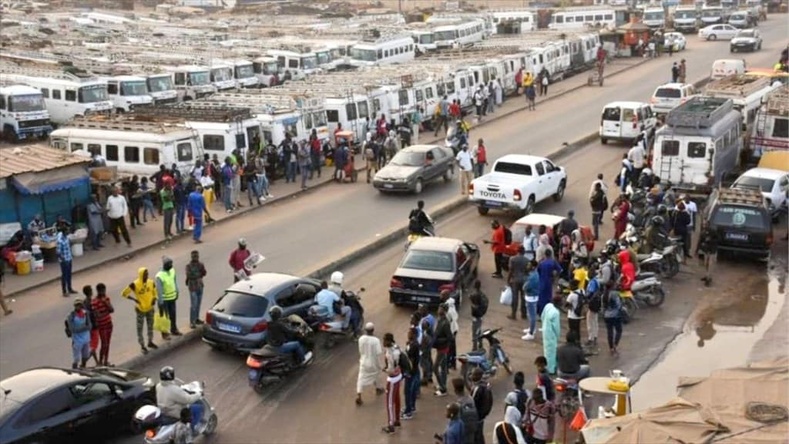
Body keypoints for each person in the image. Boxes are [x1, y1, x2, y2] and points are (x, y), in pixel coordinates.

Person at [156, 366, 204, 434]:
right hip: (175, 413)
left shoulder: (158, 386)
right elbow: (188, 399)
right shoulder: (173, 389)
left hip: (164, 411)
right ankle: (191, 430)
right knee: (198, 408)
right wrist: (199, 394)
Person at [121, 267, 158, 354]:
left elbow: (155, 291)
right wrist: (134, 299)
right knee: (140, 328)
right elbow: (124, 293)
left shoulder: (151, 282)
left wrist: (154, 298)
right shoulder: (134, 284)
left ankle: (150, 342)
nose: (147, 275)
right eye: (145, 274)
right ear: (141, 275)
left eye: (147, 274)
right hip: (140, 309)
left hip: (150, 308)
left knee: (150, 326)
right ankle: (142, 345)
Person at [356, 322, 384, 405]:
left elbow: (360, 351)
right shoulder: (376, 340)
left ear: (365, 330)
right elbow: (378, 353)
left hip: (364, 361)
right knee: (377, 374)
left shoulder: (361, 339)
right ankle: (378, 388)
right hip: (373, 362)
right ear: (373, 330)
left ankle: (359, 395)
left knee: (360, 378)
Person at [381, 333, 403, 434]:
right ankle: (397, 420)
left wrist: (384, 370)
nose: (383, 342)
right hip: (399, 376)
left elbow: (390, 370)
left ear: (388, 341)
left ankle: (391, 425)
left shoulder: (390, 353)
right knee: (397, 399)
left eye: (385, 340)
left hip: (392, 379)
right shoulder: (397, 347)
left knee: (389, 403)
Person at [156, 256, 182, 337]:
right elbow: (159, 290)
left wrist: (177, 291)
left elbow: (174, 281)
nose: (171, 265)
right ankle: (164, 333)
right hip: (164, 300)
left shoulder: (172, 271)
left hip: (172, 298)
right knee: (164, 317)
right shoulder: (159, 276)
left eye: (171, 263)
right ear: (165, 265)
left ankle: (174, 329)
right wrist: (160, 301)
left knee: (173, 315)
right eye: (169, 264)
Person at [91, 283, 114, 366]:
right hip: (102, 326)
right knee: (104, 344)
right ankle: (100, 361)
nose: (103, 292)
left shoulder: (106, 298)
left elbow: (111, 310)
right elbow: (97, 315)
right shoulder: (94, 302)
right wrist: (106, 311)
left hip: (108, 324)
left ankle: (105, 361)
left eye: (104, 290)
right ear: (98, 291)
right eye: (102, 291)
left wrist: (105, 303)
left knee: (108, 343)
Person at [433, 304, 453, 397]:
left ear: (444, 310)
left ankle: (442, 388)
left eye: (440, 309)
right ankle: (443, 384)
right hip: (440, 347)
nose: (438, 310)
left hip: (443, 348)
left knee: (435, 367)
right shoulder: (439, 319)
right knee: (443, 367)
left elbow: (450, 337)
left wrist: (438, 340)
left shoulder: (445, 323)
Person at [67, 298, 92, 369]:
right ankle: (74, 370)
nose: (78, 307)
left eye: (79, 305)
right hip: (77, 340)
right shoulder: (71, 316)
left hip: (86, 338)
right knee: (76, 359)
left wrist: (81, 328)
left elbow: (90, 326)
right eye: (77, 305)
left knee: (86, 356)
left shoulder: (85, 313)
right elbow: (72, 329)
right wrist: (84, 328)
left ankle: (83, 367)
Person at [402, 327, 421, 420]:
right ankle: (411, 407)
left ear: (414, 335)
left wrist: (408, 371)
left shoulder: (414, 346)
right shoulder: (411, 344)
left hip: (411, 371)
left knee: (408, 391)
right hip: (413, 370)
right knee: (412, 390)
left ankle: (408, 411)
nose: (408, 334)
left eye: (409, 333)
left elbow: (411, 360)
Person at [540, 295, 562, 375]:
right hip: (551, 333)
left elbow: (542, 316)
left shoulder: (548, 305)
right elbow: (556, 326)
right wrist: (558, 335)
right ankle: (551, 369)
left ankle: (549, 366)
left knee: (547, 350)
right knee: (551, 352)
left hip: (545, 330)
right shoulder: (556, 312)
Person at [452, 377, 478, 444]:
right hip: (472, 427)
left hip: (463, 431)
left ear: (455, 390)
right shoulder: (470, 399)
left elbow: (456, 421)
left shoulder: (458, 404)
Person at [185, 250, 207, 329]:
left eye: (196, 256)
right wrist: (198, 274)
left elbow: (204, 273)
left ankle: (196, 319)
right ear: (191, 257)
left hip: (200, 286)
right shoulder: (188, 266)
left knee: (198, 304)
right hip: (193, 288)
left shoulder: (201, 265)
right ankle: (192, 321)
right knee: (194, 305)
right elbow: (190, 275)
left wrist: (197, 274)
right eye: (194, 256)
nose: (196, 258)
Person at [470, 367, 493, 444]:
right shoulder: (486, 385)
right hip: (483, 414)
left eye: (473, 374)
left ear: (477, 376)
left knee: (476, 435)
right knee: (479, 434)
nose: (471, 376)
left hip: (477, 415)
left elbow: (472, 402)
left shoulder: (478, 388)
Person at [536, 250, 561, 315]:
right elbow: (560, 270)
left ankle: (540, 312)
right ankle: (547, 312)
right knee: (548, 297)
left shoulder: (541, 263)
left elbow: (538, 271)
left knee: (541, 297)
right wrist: (554, 275)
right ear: (550, 254)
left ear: (545, 254)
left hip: (542, 281)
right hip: (549, 282)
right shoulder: (553, 262)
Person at [507, 246, 528, 321]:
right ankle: (523, 314)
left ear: (517, 251)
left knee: (515, 297)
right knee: (523, 297)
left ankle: (513, 314)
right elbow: (527, 271)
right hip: (524, 280)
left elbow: (510, 270)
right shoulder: (527, 260)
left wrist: (508, 280)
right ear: (523, 252)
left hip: (515, 280)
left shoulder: (512, 259)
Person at [522, 261, 540, 341]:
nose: (528, 266)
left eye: (529, 265)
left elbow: (526, 286)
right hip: (531, 296)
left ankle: (531, 333)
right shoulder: (534, 274)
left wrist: (524, 287)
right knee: (531, 314)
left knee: (532, 315)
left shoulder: (533, 276)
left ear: (533, 267)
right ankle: (531, 328)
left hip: (531, 297)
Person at [56, 227, 77, 297]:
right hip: (64, 260)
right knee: (64, 276)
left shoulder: (66, 237)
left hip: (69, 258)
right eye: (67, 231)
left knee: (69, 275)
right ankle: (64, 291)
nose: (68, 232)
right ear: (64, 232)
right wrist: (63, 259)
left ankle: (70, 288)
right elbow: (58, 252)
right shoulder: (60, 240)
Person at [442, 291, 459, 370]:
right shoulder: (450, 304)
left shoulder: (449, 308)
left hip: (451, 330)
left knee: (449, 348)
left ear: (445, 296)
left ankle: (449, 363)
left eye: (442, 295)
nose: (440, 296)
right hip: (453, 329)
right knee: (452, 348)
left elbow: (453, 318)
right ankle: (453, 363)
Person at [469, 280, 488, 351]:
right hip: (481, 316)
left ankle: (474, 348)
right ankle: (480, 344)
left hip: (476, 317)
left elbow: (475, 307)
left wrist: (470, 301)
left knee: (474, 333)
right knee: (479, 330)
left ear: (474, 286)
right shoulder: (482, 294)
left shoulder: (475, 295)